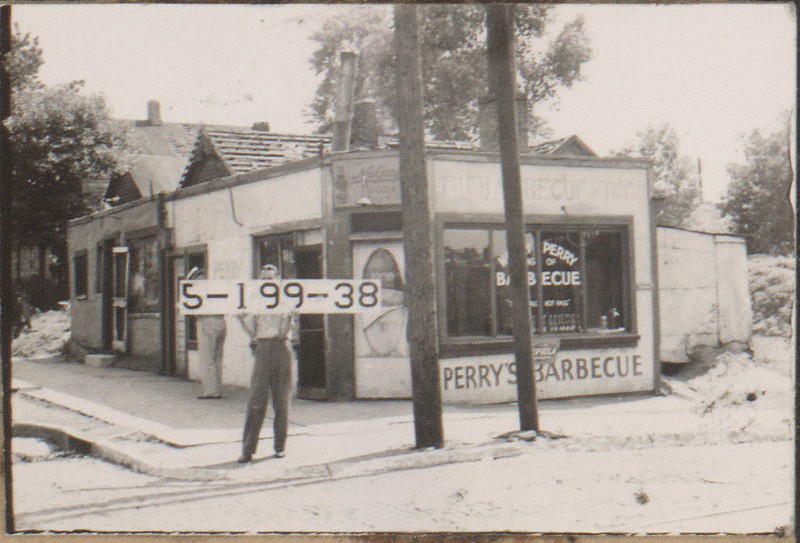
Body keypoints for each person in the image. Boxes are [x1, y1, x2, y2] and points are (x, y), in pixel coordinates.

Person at [236, 264, 297, 463]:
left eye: (270, 279)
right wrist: (241, 321)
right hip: (263, 347)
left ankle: (280, 447)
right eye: (263, 279)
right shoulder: (255, 302)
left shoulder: (286, 301)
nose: (267, 283)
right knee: (256, 400)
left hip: (282, 347)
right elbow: (253, 332)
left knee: (282, 400)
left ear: (277, 280)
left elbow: (285, 330)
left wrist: (290, 318)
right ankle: (248, 449)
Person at [188, 267, 226, 399]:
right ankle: (217, 389)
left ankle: (210, 390)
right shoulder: (215, 288)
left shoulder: (199, 291)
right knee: (217, 357)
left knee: (207, 357)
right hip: (220, 321)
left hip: (206, 321)